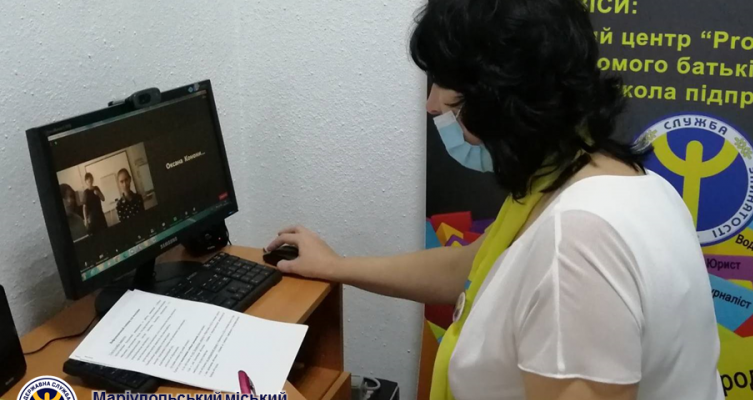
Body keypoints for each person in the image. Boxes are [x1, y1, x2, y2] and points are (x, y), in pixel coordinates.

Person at [266, 1, 723, 399]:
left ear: (500, 92)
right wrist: (336, 267)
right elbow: (476, 270)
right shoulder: (617, 183)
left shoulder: (577, 242)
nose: (431, 104)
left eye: (445, 83)